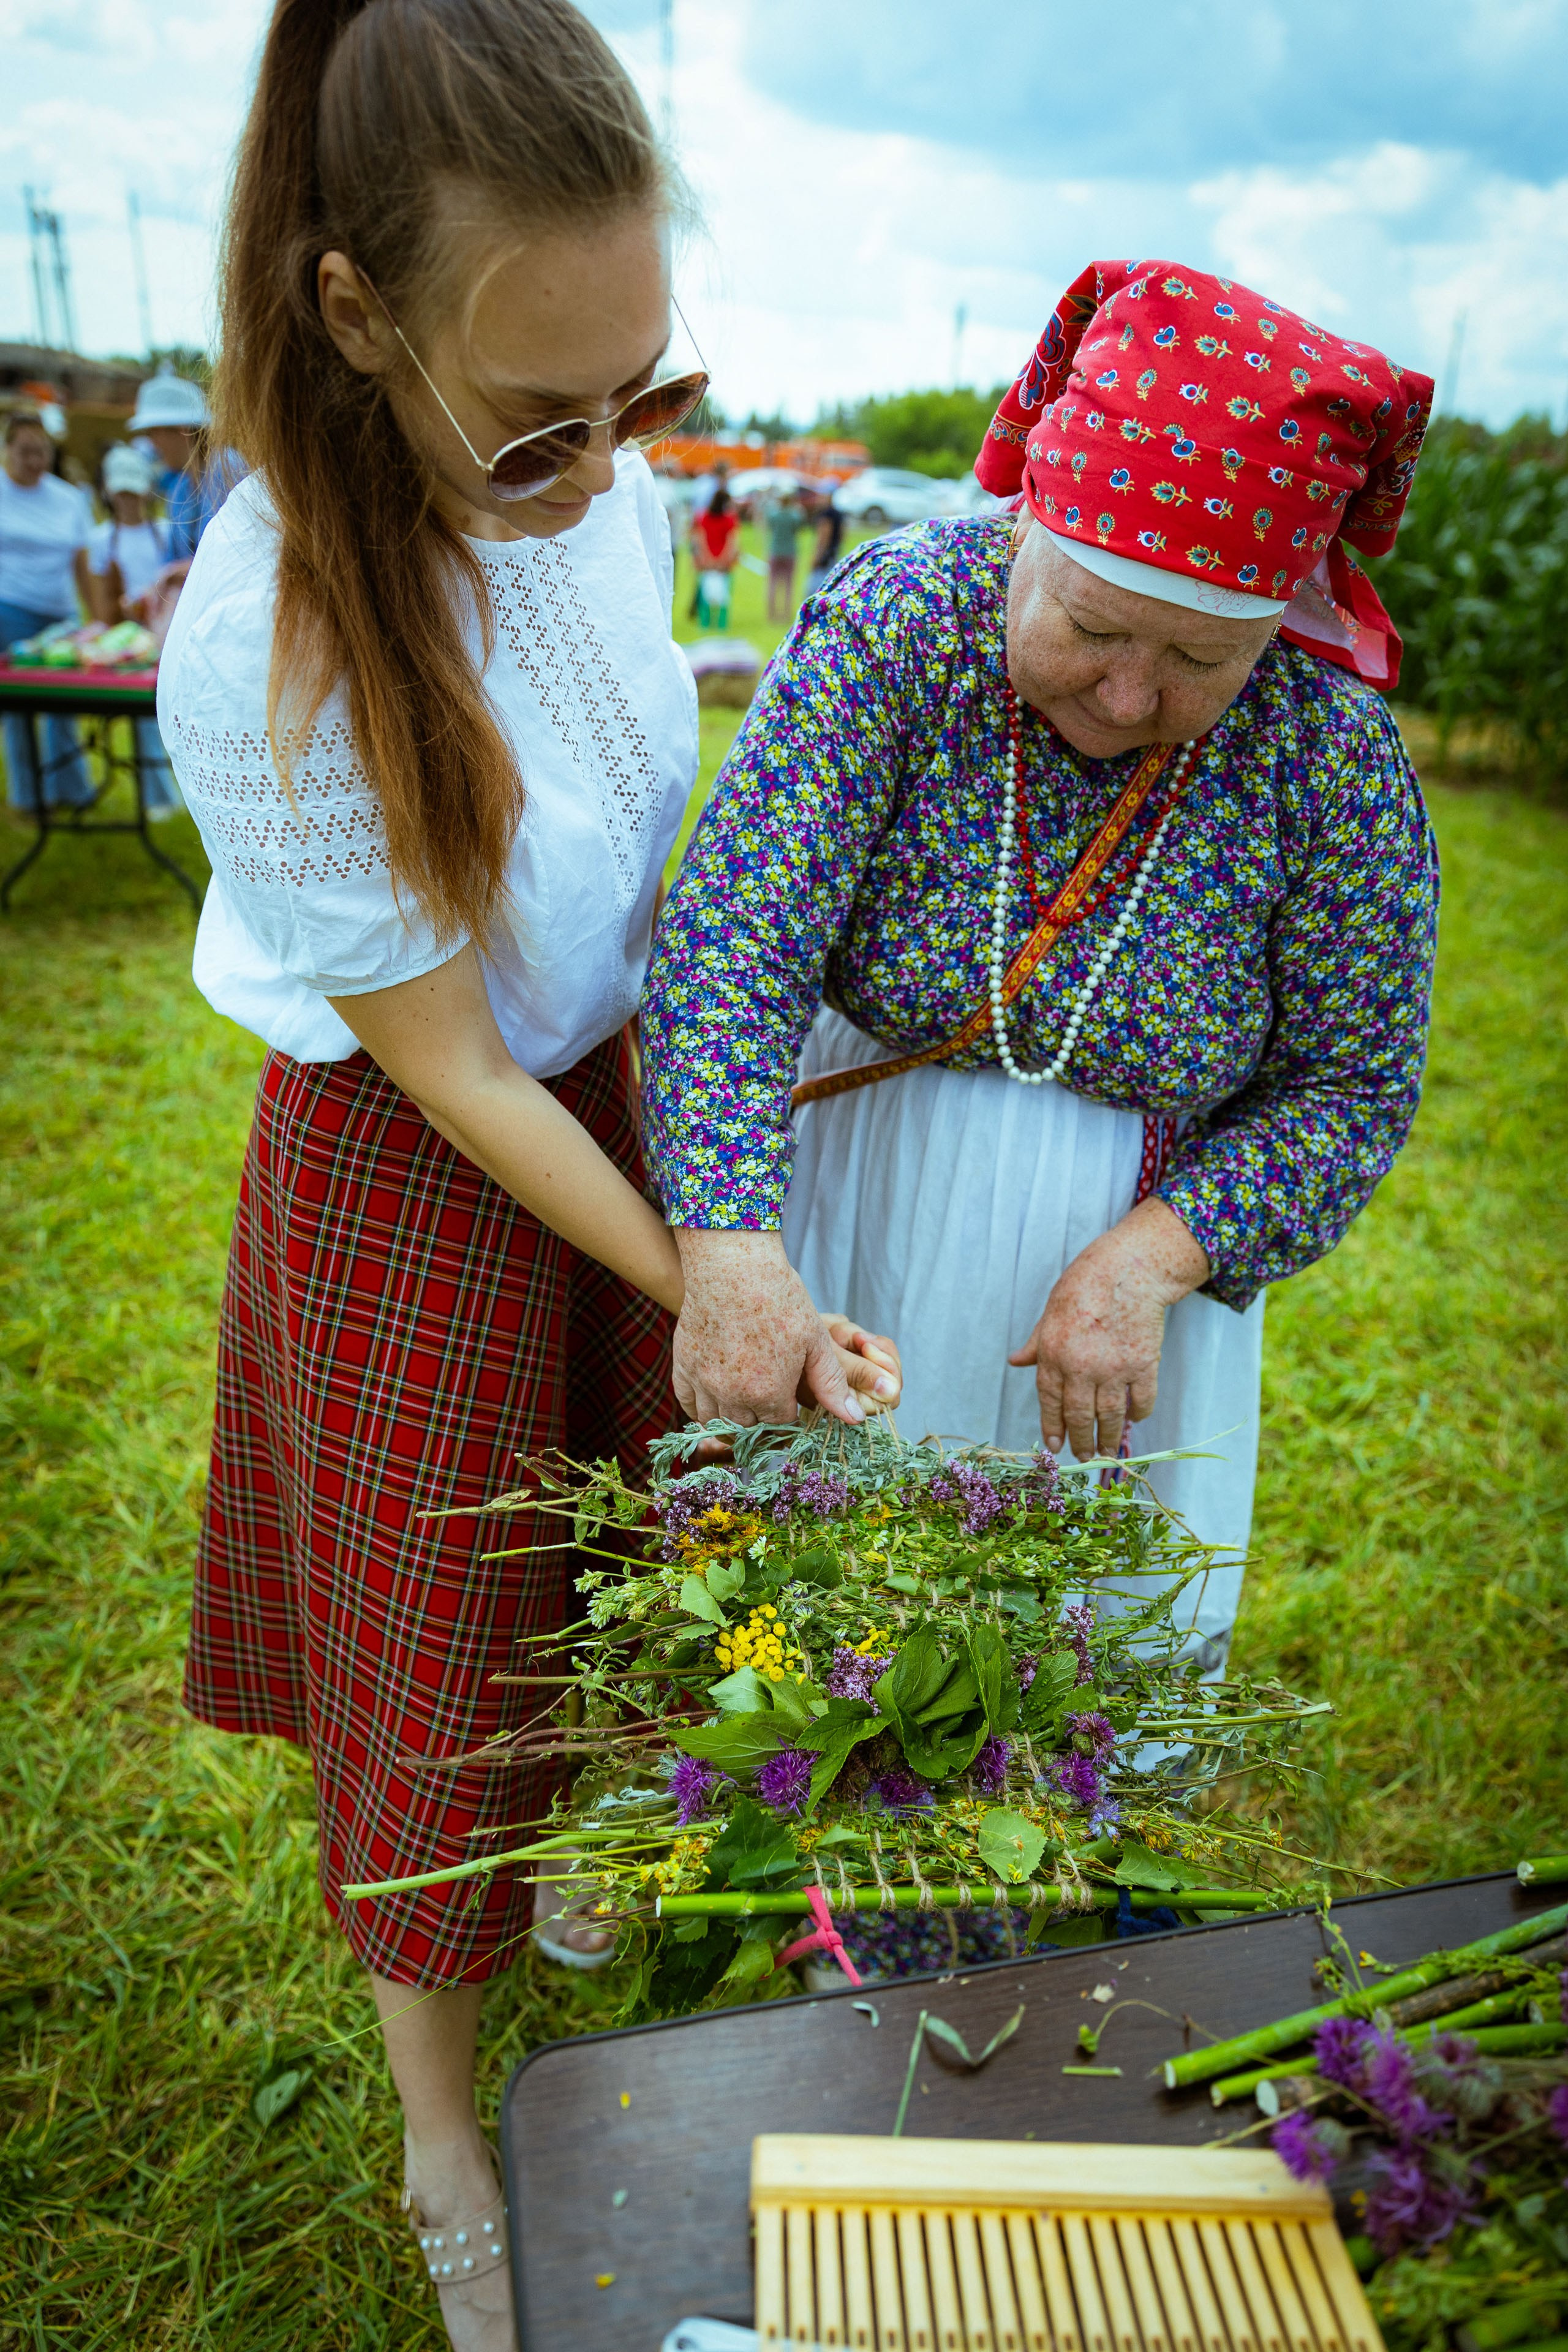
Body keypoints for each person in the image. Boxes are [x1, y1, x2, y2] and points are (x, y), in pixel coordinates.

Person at [156, 6, 895, 2347]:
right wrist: (706, 1264)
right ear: (352, 317)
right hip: (425, 1155)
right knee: (436, 1650)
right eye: (541, 428)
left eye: (649, 398)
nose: (607, 472)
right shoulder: (251, 647)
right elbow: (456, 1064)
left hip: (616, 1105)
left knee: (627, 1553)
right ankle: (439, 2123)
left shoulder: (617, 493)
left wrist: (726, 1201)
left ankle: (581, 1865)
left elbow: (649, 880)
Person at [641, 256, 1440, 1678]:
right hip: (844, 1211)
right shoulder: (904, 616)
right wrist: (728, 1242)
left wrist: (1157, 1255)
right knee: (804, 1645)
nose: (1128, 695)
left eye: (1197, 658)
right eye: (1087, 628)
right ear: (1025, 535)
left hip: (1126, 1281)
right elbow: (732, 936)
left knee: (1056, 1682)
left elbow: (1349, 1084)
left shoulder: (1326, 746)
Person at [0, 409, 93, 810]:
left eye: (42, 452)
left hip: (61, 615)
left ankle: (71, 791)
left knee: (63, 708)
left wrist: (95, 616)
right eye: (26, 452)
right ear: (7, 450)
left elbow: (82, 564)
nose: (36, 462)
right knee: (20, 712)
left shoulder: (69, 500)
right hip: (11, 609)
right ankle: (29, 798)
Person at [84, 442, 181, 815]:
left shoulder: (164, 529)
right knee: (143, 724)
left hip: (164, 634)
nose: (128, 500)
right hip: (130, 642)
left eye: (133, 492)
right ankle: (158, 796)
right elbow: (100, 601)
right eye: (121, 493)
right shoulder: (101, 538)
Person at [127, 368, 242, 564]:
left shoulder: (231, 470)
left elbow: (245, 553)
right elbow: (172, 559)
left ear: (182, 430)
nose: (152, 444)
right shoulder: (179, 489)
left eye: (153, 432)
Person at [688, 479, 739, 628]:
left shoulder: (703, 518)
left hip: (707, 562)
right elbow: (731, 543)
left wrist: (707, 559)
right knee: (723, 596)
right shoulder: (729, 520)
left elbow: (700, 540)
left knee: (706, 594)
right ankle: (721, 624)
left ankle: (705, 623)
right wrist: (723, 559)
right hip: (723, 564)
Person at [763, 485, 802, 622]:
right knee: (788, 585)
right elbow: (798, 527)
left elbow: (769, 524)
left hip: (776, 550)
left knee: (772, 584)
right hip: (790, 552)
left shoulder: (775, 515)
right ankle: (786, 614)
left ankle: (772, 613)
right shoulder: (794, 516)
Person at [802, 480, 846, 595]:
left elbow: (823, 538)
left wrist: (817, 557)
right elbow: (842, 536)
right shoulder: (839, 514)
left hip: (824, 560)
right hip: (834, 555)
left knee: (813, 592)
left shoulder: (826, 515)